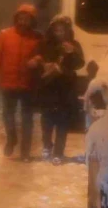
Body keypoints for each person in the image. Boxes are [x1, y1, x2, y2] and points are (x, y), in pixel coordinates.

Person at [0, 4, 42, 160]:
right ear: (16, 18)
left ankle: (25, 152)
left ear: (32, 21)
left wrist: (38, 59)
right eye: (20, 18)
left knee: (27, 119)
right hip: (9, 82)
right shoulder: (5, 35)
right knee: (8, 115)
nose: (23, 21)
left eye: (27, 19)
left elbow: (45, 53)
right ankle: (11, 139)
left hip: (28, 83)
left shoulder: (37, 37)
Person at [30, 15, 84, 165]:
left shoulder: (74, 44)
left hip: (65, 87)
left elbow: (79, 64)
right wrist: (43, 65)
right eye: (56, 29)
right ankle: (47, 146)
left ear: (67, 30)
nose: (59, 33)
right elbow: (37, 60)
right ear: (51, 30)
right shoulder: (44, 44)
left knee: (62, 121)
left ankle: (58, 152)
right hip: (48, 86)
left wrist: (72, 53)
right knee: (46, 119)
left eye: (62, 30)